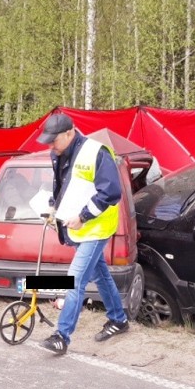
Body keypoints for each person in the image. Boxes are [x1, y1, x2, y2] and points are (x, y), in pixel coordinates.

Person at [37, 113, 129, 355]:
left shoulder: (97, 152)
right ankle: (119, 319)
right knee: (100, 275)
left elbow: (111, 193)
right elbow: (65, 186)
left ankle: (61, 336)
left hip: (95, 227)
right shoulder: (57, 153)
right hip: (77, 228)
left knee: (74, 281)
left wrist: (83, 216)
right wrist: (51, 208)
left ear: (70, 132)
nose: (50, 146)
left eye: (53, 140)